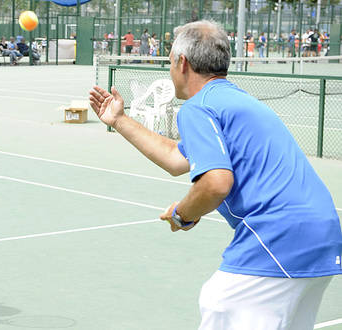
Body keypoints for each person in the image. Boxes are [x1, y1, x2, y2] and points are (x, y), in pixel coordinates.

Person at [88, 20, 341, 330]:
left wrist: (183, 215)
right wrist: (119, 119)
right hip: (323, 237)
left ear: (182, 63)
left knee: (219, 302)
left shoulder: (197, 108)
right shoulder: (238, 102)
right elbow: (175, 158)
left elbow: (217, 182)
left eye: (170, 60)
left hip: (275, 238)